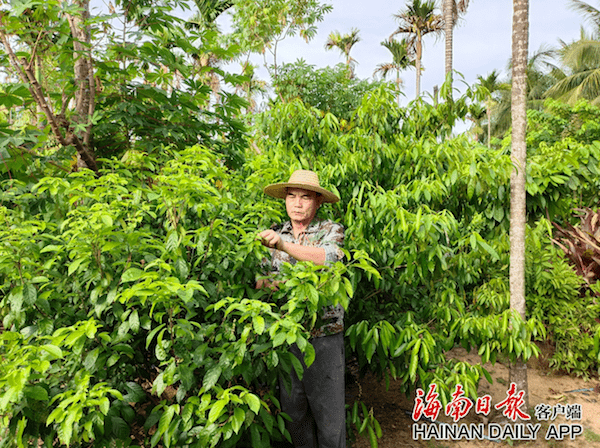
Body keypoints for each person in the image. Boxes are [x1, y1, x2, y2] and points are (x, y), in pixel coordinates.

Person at [256, 169, 346, 448]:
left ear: (317, 201)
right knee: (294, 415)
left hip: (324, 337)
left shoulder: (330, 230)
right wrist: (269, 284)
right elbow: (261, 281)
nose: (297, 203)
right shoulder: (274, 232)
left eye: (305, 198)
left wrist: (284, 246)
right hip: (287, 336)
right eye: (292, 197)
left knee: (330, 420)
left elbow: (326, 258)